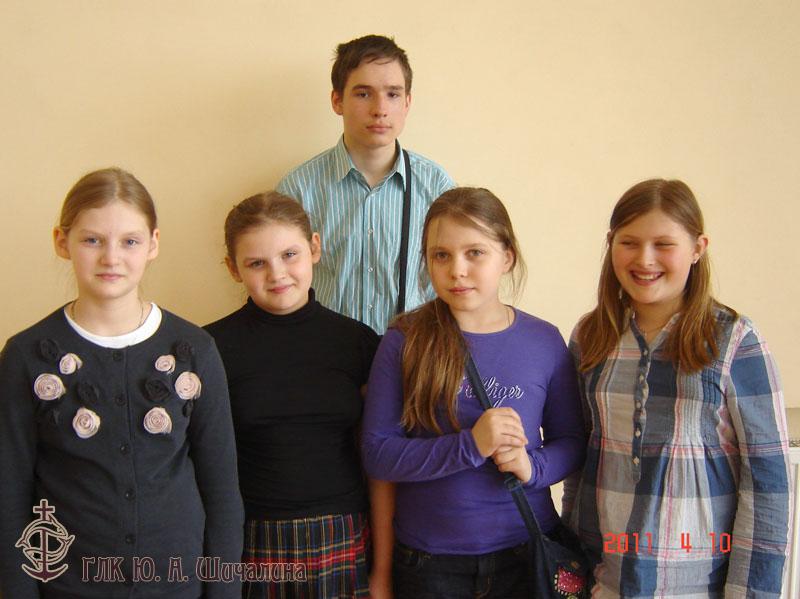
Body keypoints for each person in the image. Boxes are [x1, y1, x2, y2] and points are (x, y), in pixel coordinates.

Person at [0, 168, 243, 598]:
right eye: (92, 240)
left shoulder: (195, 351)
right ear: (62, 241)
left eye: (129, 241)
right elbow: (9, 495)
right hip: (68, 586)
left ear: (153, 244)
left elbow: (222, 491)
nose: (111, 258)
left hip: (176, 586)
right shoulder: (26, 356)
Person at [562, 178, 791, 598]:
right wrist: (572, 565)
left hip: (696, 585)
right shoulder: (591, 335)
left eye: (663, 244)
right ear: (611, 244)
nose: (644, 259)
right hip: (603, 580)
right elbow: (581, 458)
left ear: (698, 248)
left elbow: (767, 485)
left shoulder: (734, 340)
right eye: (629, 243)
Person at [361, 187, 586, 598]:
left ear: (507, 257)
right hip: (429, 564)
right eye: (441, 255)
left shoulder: (544, 341)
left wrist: (532, 467)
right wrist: (470, 445)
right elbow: (378, 453)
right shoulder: (404, 340)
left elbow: (572, 442)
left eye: (475, 253)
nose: (457, 270)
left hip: (526, 556)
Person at [204, 192, 381, 599]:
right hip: (252, 536)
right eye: (256, 263)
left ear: (314, 248)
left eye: (289, 255)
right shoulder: (210, 348)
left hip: (344, 530)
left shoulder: (356, 342)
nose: (277, 274)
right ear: (233, 269)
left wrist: (383, 566)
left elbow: (377, 453)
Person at [276, 34, 455, 334]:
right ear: (337, 101)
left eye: (393, 94)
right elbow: (281, 282)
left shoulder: (437, 186)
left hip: (410, 349)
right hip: (325, 349)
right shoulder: (298, 189)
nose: (380, 109)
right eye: (363, 94)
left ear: (408, 102)